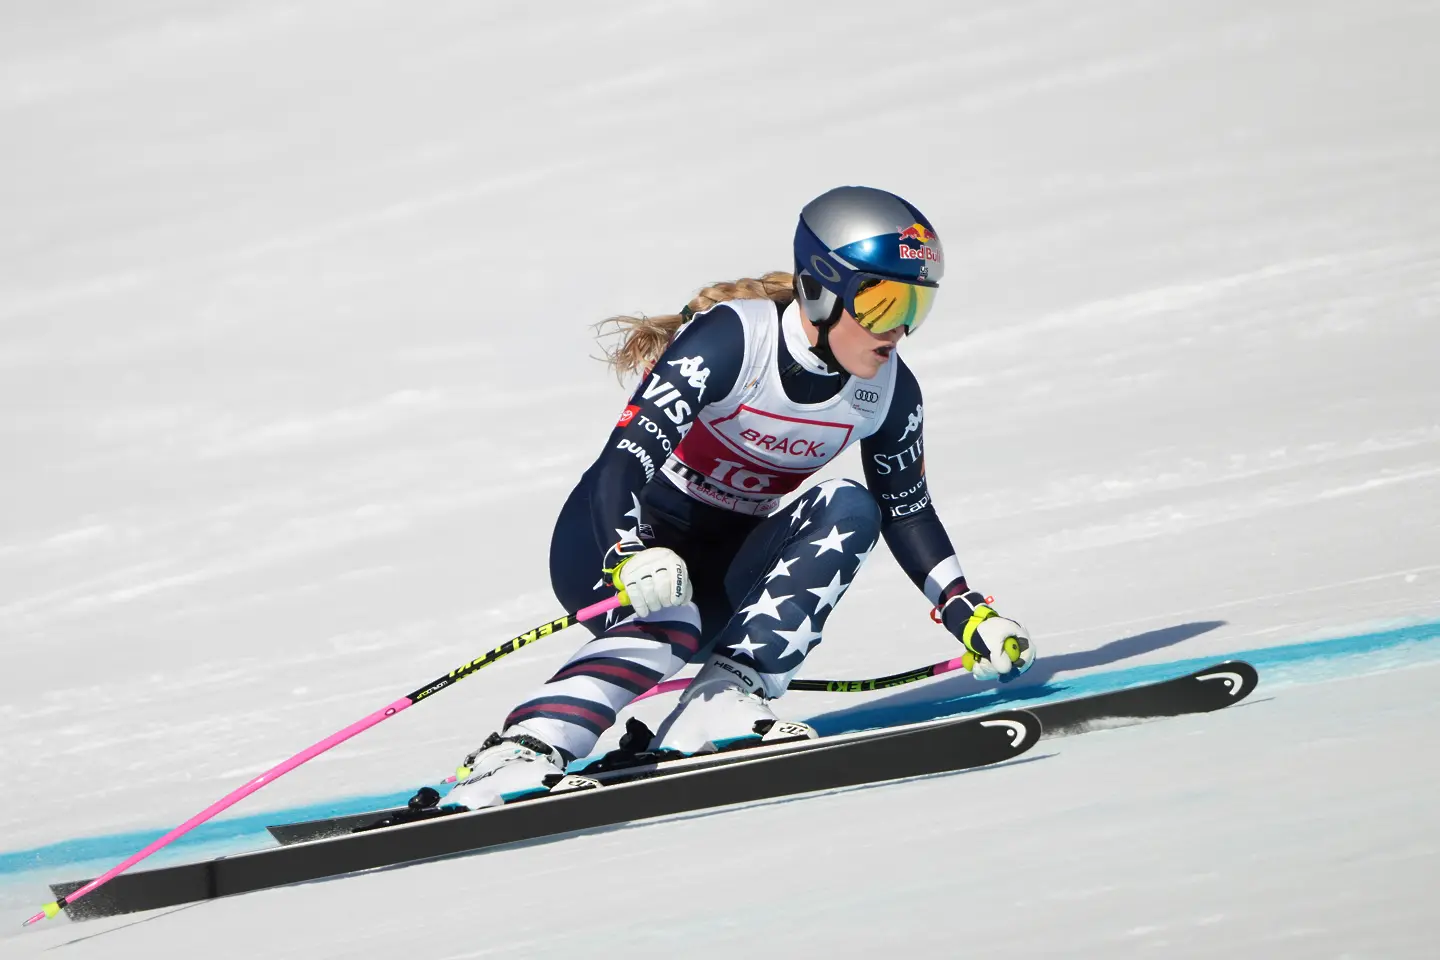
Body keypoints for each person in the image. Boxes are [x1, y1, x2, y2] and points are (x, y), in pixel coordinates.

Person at [446, 186, 1035, 808]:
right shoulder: (734, 339)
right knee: (671, 613)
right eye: (883, 302)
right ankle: (522, 748)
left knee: (849, 506)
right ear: (821, 290)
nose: (899, 329)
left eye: (917, 305)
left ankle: (721, 699)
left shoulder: (889, 392)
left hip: (720, 575)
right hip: (607, 545)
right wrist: (628, 555)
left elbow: (907, 510)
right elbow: (623, 459)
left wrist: (969, 613)